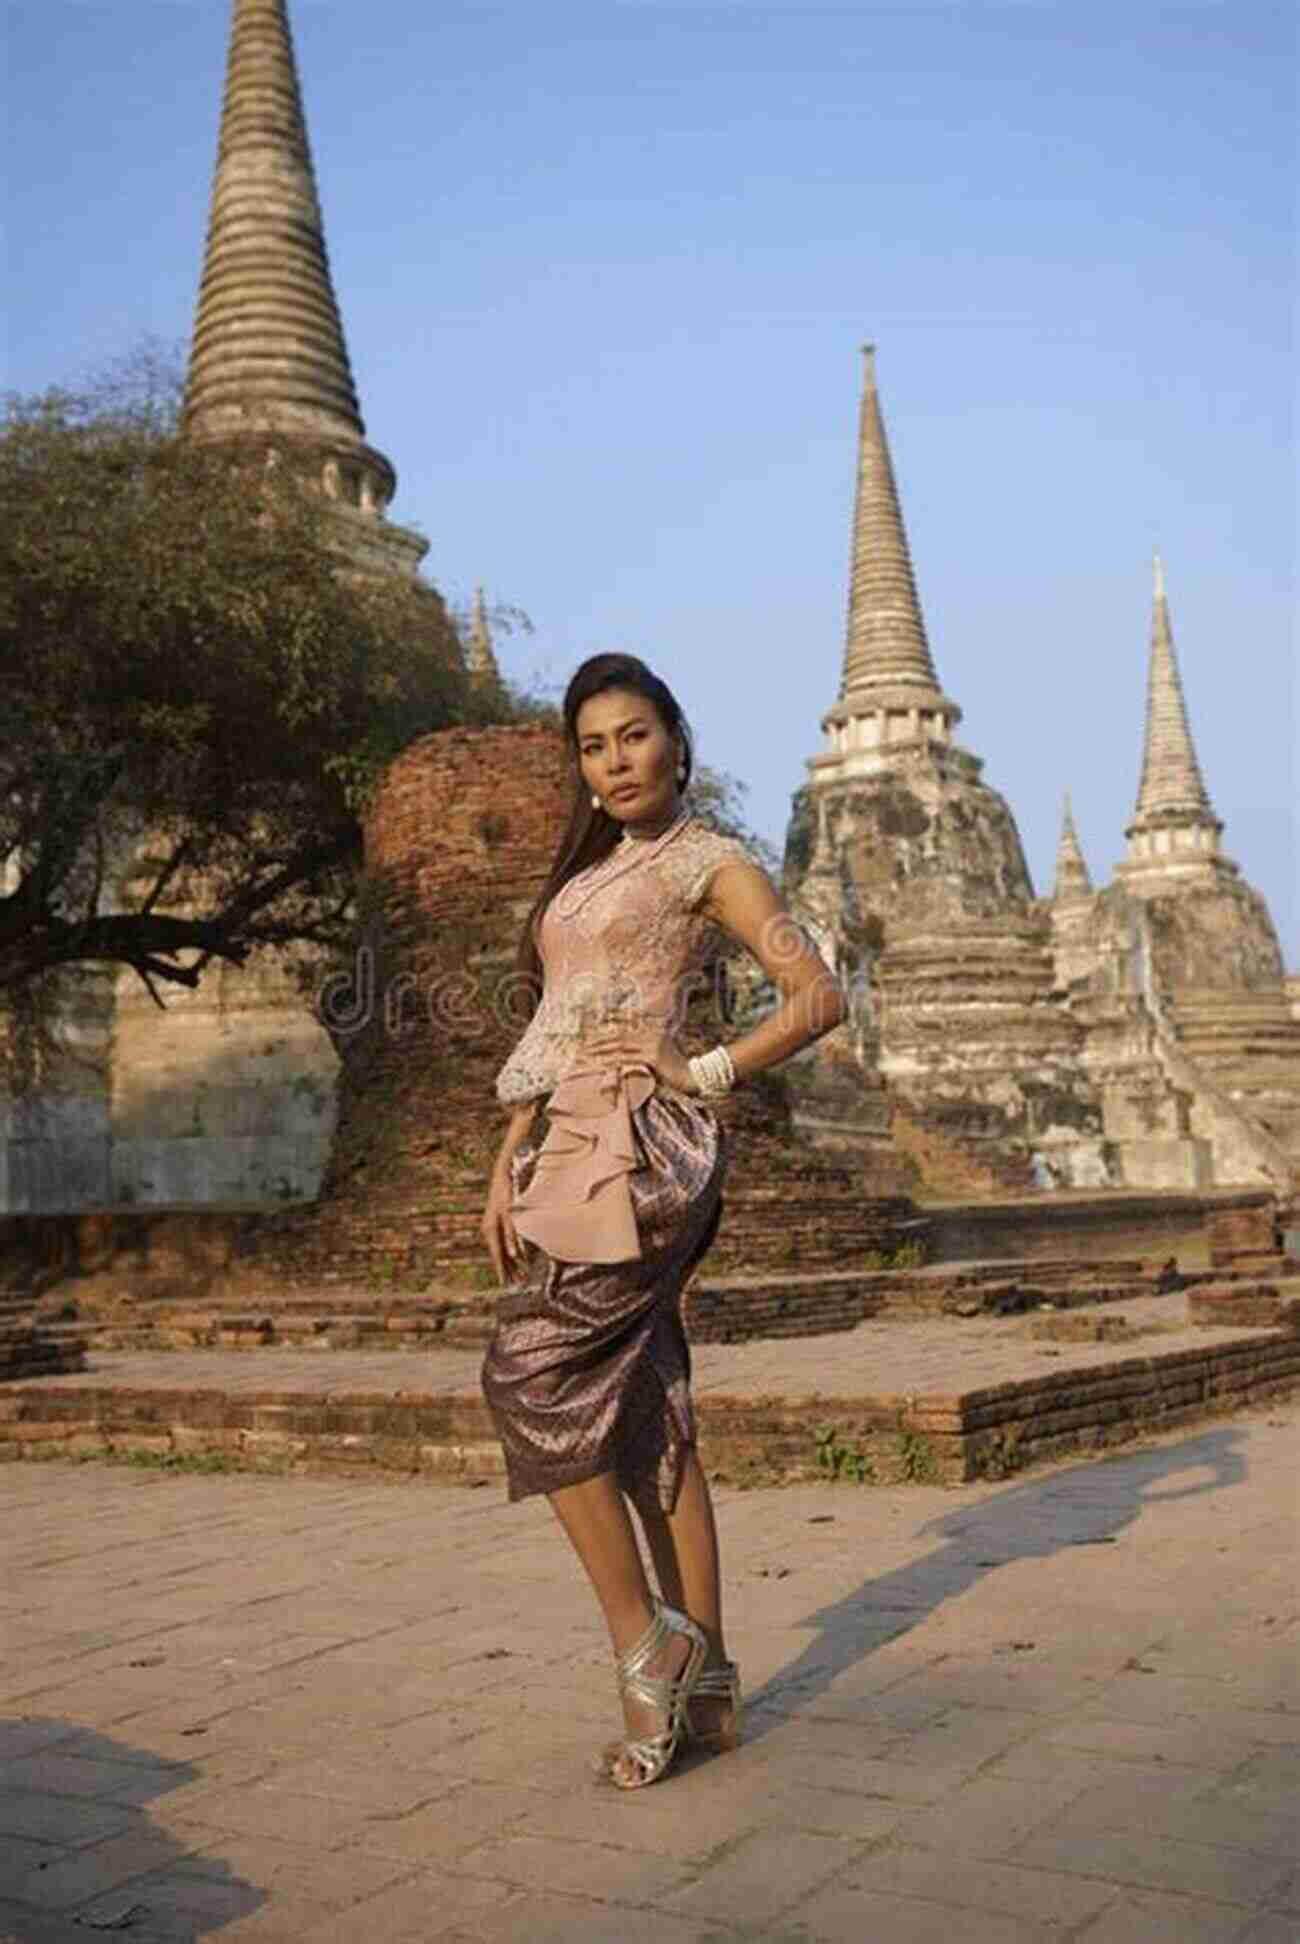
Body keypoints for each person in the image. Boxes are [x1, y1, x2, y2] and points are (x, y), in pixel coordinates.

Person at [479, 653, 845, 1790]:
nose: (616, 761)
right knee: (645, 1405)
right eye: (593, 747)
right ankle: (716, 1684)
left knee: (525, 1375)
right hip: (564, 1148)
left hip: (649, 1148)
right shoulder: (585, 882)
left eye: (633, 736)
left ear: (676, 742)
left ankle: (650, 1644)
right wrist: (505, 1163)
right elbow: (551, 1029)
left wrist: (705, 1068)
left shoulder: (709, 862)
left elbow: (818, 994)